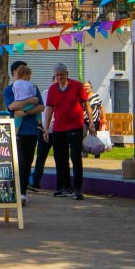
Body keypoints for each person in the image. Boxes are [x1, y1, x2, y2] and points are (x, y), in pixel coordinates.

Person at [44, 63, 93, 200]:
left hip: (75, 126)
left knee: (76, 157)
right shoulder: (52, 89)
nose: (59, 77)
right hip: (59, 128)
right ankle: (63, 187)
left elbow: (86, 104)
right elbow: (49, 109)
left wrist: (91, 123)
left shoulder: (77, 86)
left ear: (67, 74)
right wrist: (47, 128)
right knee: (60, 159)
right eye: (57, 75)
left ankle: (77, 189)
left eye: (62, 75)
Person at [3, 61, 44, 206]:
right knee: (18, 162)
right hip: (17, 132)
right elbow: (12, 106)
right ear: (14, 73)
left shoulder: (33, 87)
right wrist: (29, 101)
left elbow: (40, 106)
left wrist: (25, 111)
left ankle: (23, 192)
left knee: (27, 163)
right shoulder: (10, 89)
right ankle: (16, 191)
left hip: (32, 131)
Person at [30, 88, 52, 192]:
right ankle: (36, 183)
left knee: (61, 158)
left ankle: (63, 185)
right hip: (43, 129)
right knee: (40, 157)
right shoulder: (45, 93)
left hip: (57, 129)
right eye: (56, 78)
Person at [83, 81, 106, 158]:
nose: (86, 88)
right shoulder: (82, 97)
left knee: (94, 135)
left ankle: (97, 152)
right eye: (85, 86)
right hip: (84, 120)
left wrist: (104, 119)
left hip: (95, 119)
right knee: (83, 135)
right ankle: (85, 152)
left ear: (91, 87)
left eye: (88, 86)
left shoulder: (96, 96)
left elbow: (101, 107)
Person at [11, 64, 38, 130]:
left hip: (19, 105)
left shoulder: (15, 83)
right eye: (29, 75)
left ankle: (16, 132)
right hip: (30, 105)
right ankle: (39, 123)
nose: (30, 77)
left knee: (17, 118)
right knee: (38, 111)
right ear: (26, 75)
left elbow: (13, 90)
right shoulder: (31, 84)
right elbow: (34, 93)